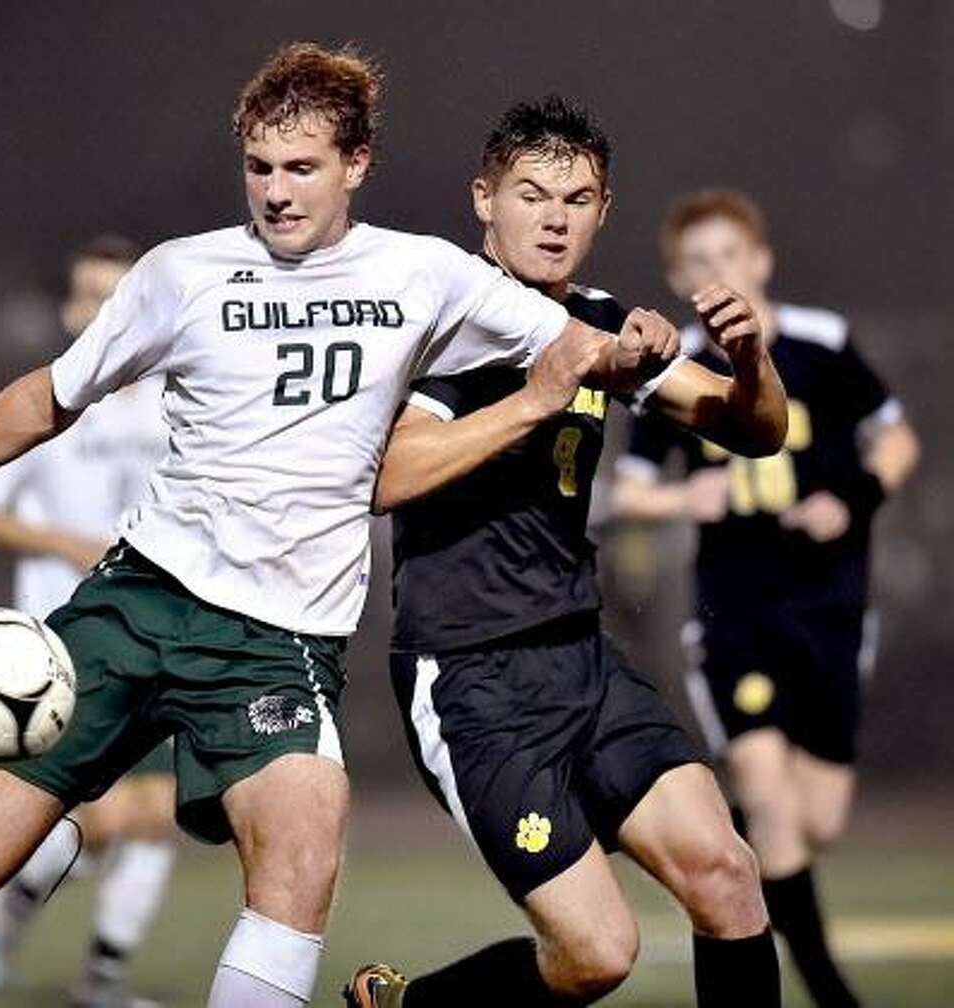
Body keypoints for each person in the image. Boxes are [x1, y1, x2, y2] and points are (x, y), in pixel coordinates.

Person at [0, 44, 664, 1008]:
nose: (278, 192)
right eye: (259, 167)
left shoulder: (424, 275)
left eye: (301, 168)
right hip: (142, 603)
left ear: (357, 164)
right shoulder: (182, 275)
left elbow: (601, 350)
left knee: (303, 848)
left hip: (279, 644)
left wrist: (665, 353)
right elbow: (49, 398)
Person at [345, 97, 788, 1008]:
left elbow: (757, 434)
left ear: (603, 210)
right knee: (597, 956)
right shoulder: (441, 324)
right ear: (484, 199)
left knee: (728, 874)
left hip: (581, 659)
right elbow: (384, 475)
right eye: (531, 193)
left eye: (577, 199)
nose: (553, 217)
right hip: (470, 677)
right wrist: (539, 395)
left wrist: (750, 362)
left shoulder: (597, 320)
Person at [613, 189, 920, 1008]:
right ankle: (825, 987)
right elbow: (631, 491)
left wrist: (850, 499)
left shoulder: (823, 344)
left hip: (829, 611)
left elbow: (896, 439)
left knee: (815, 822)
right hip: (734, 615)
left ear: (762, 261)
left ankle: (736, 865)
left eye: (731, 256)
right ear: (679, 277)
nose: (719, 272)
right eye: (700, 261)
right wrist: (687, 501)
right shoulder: (673, 368)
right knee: (769, 794)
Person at [0, 234, 178, 1007]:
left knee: (154, 816)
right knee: (106, 817)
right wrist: (58, 540)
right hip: (57, 640)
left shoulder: (179, 400)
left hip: (156, 635)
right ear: (70, 307)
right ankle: (10, 905)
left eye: (119, 293)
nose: (103, 308)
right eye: (91, 294)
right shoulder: (48, 400)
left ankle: (101, 978)